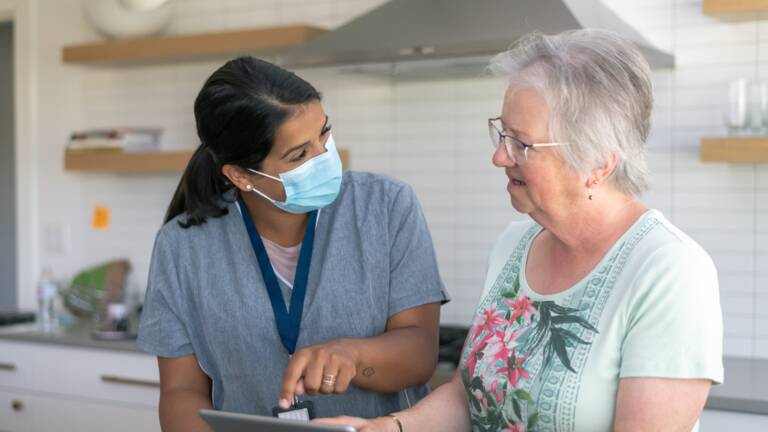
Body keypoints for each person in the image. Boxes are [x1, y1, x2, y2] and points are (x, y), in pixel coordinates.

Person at [318, 29, 723, 432]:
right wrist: (391, 428)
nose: (499, 156)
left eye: (521, 144)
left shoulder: (670, 271)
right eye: (502, 133)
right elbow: (469, 395)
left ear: (598, 163)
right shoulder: (515, 244)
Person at [136, 56, 449, 431]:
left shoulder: (386, 206)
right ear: (240, 175)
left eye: (324, 133)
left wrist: (352, 357)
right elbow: (181, 390)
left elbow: (420, 353)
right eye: (298, 155)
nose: (323, 157)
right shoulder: (182, 247)